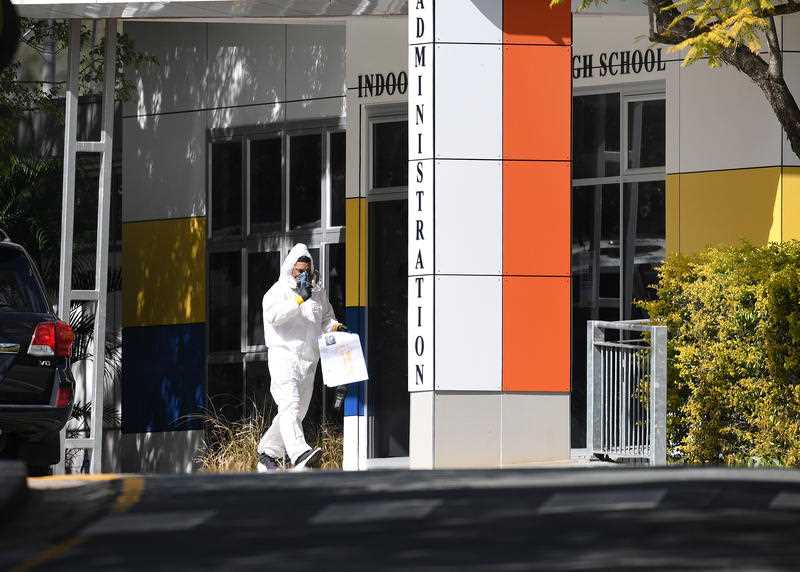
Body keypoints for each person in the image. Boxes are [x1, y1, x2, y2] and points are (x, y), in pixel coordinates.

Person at [256, 243, 347, 472]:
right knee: (290, 404)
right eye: (299, 270)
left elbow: (326, 317)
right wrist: (298, 299)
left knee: (295, 412)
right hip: (284, 357)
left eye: (307, 269)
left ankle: (267, 454)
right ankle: (300, 453)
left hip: (309, 361)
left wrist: (335, 327)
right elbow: (274, 316)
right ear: (290, 269)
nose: (303, 274)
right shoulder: (277, 292)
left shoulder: (317, 291)